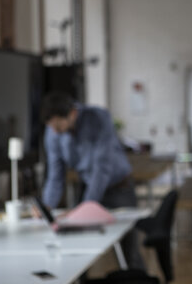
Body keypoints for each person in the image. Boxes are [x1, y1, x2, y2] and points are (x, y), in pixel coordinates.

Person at [41, 91, 143, 268]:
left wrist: (85, 209)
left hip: (118, 189)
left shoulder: (98, 118)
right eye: (51, 127)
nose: (55, 132)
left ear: (73, 113)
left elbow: (101, 169)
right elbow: (56, 174)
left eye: (58, 127)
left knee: (128, 251)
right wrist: (46, 206)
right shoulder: (53, 133)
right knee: (75, 248)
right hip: (88, 188)